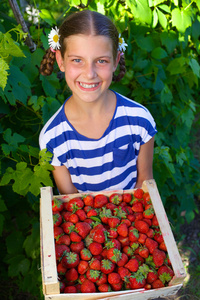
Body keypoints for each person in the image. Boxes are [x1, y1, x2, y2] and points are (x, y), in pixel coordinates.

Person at [39, 10, 157, 195]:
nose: (89, 73)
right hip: (85, 222)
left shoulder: (139, 121)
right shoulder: (53, 137)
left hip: (132, 220)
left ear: (116, 61)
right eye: (77, 60)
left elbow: (145, 184)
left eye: (101, 61)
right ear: (60, 61)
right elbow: (72, 202)